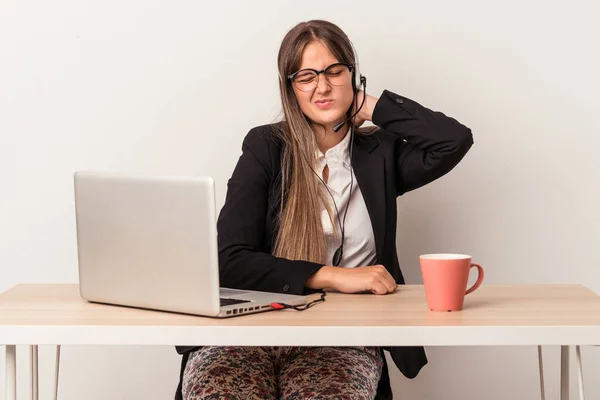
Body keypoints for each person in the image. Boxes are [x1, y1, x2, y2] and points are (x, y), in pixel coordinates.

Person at [175, 19, 473, 400]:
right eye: (306, 76)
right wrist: (331, 276)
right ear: (290, 88)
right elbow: (228, 259)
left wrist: (370, 106)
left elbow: (454, 140)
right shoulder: (266, 147)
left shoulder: (380, 155)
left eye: (335, 71)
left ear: (353, 73)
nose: (322, 86)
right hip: (249, 332)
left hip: (343, 337)